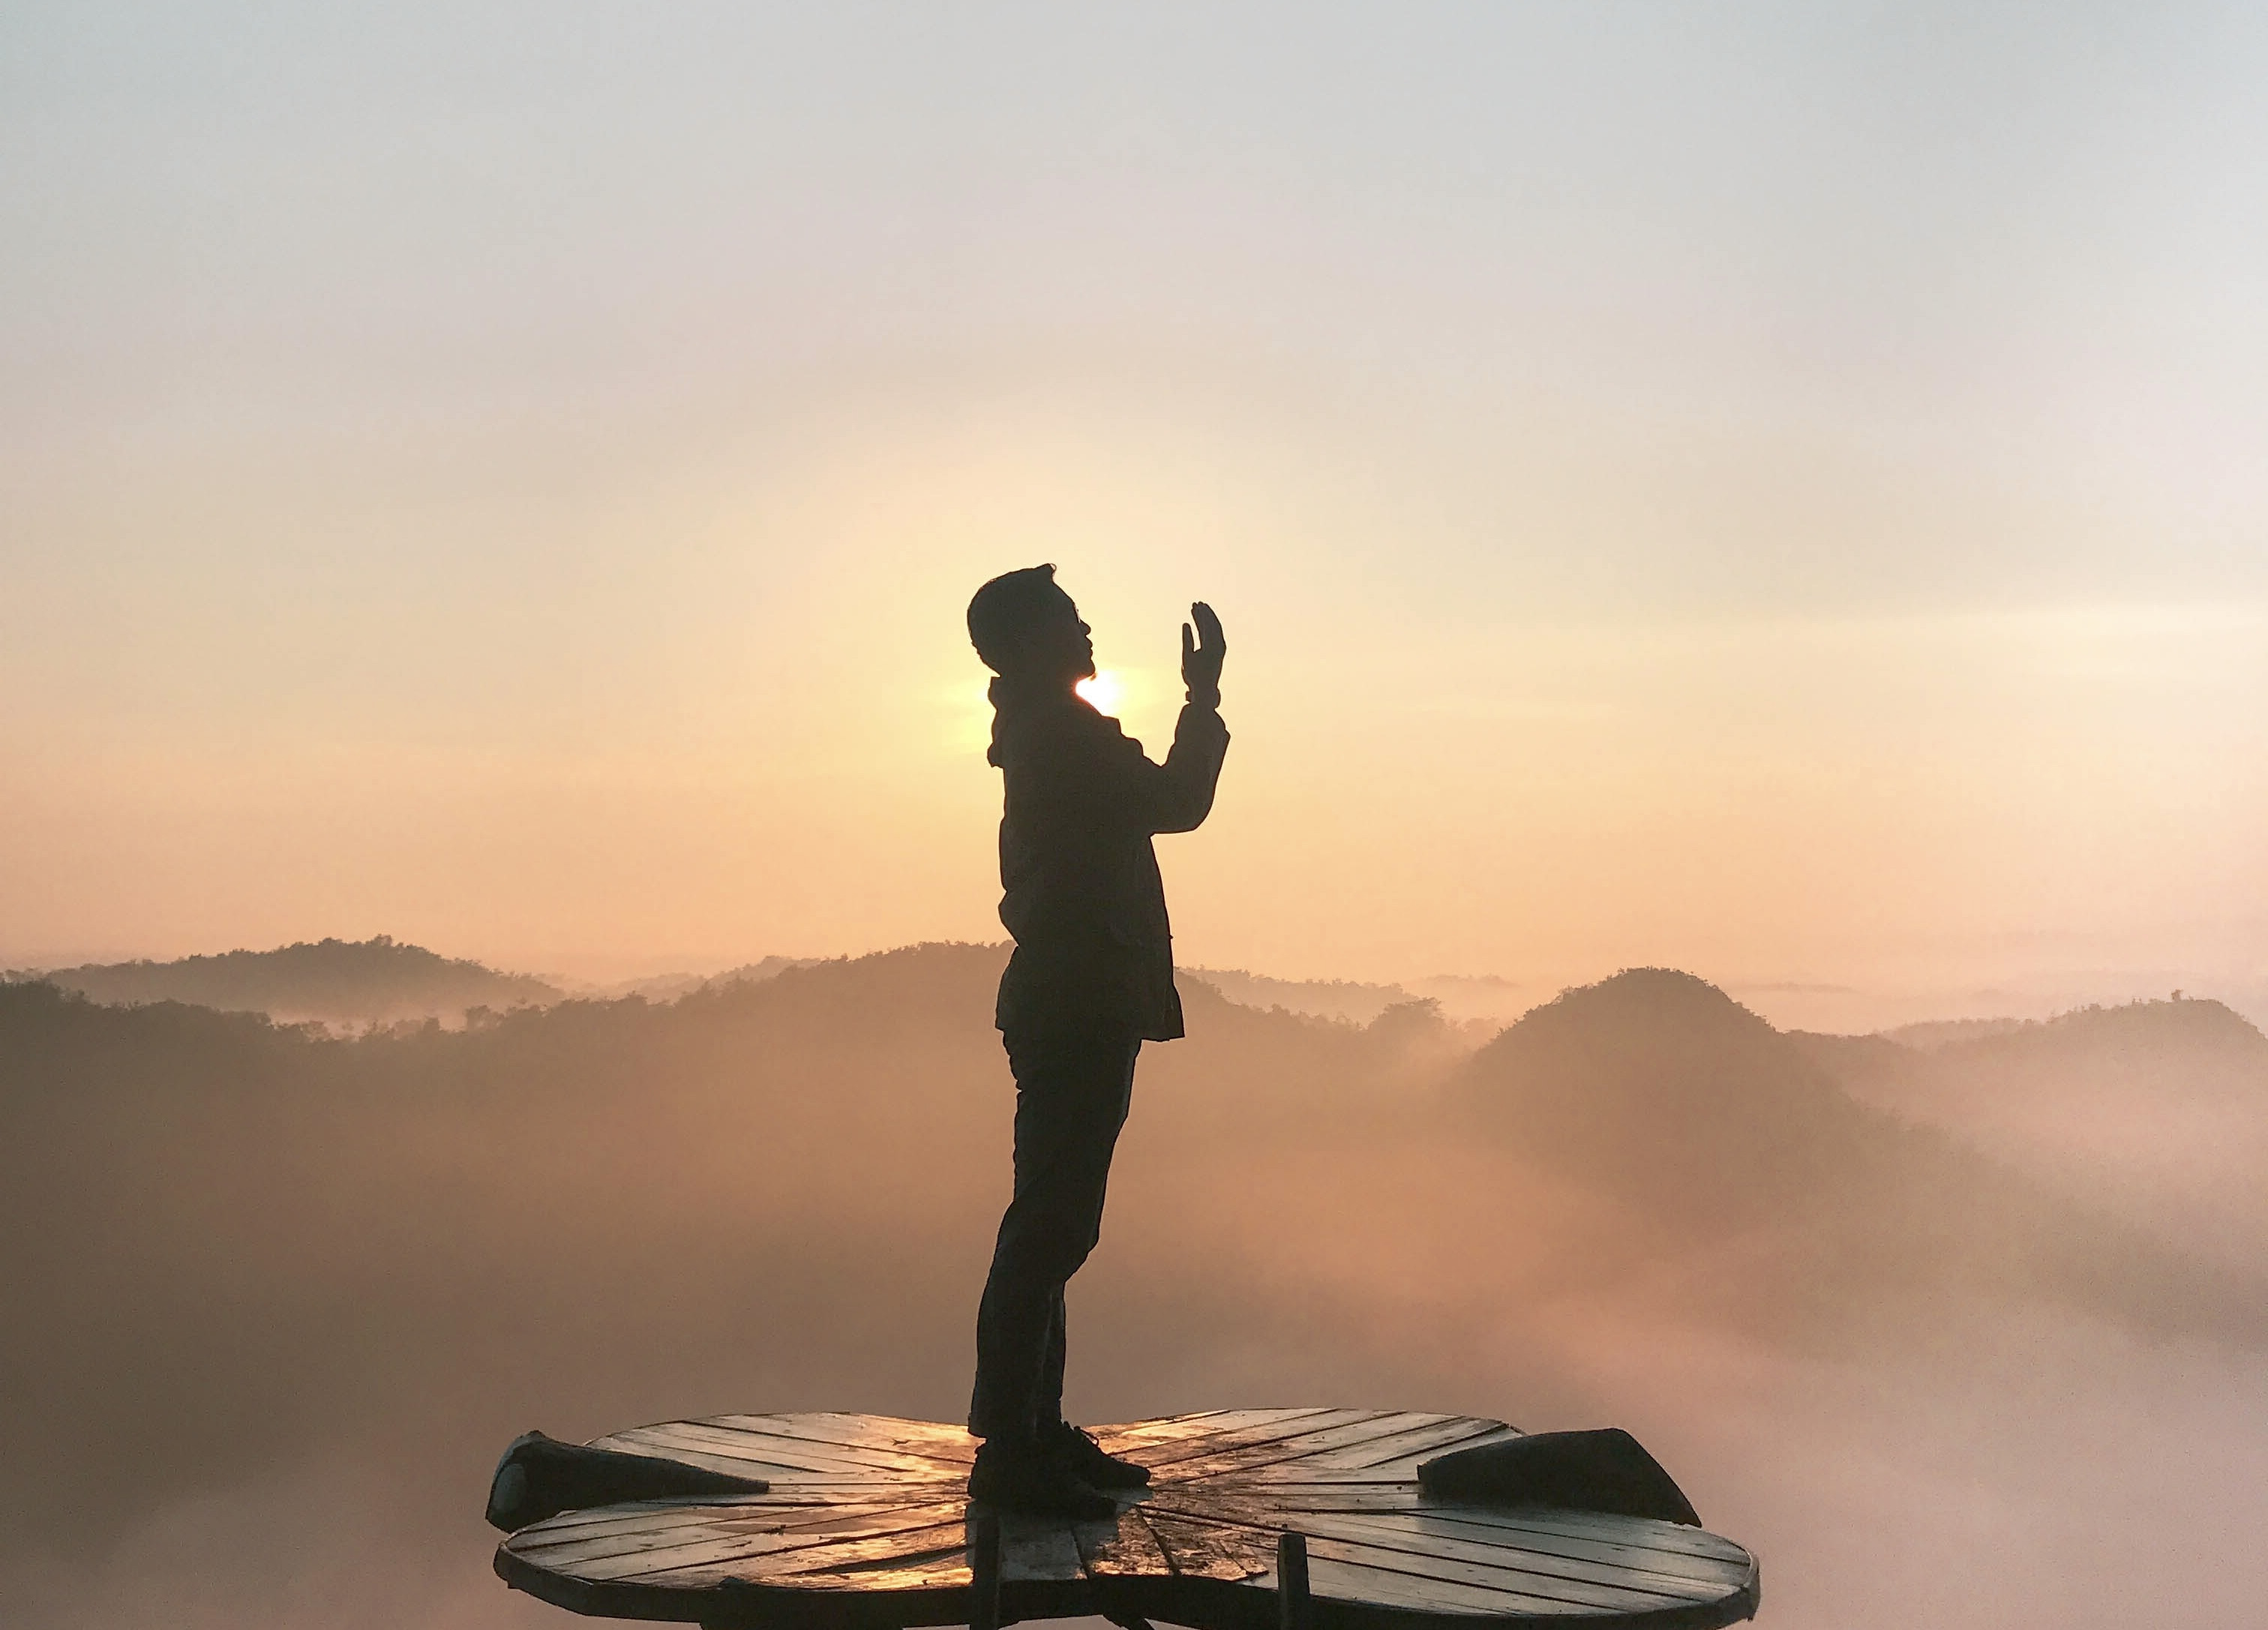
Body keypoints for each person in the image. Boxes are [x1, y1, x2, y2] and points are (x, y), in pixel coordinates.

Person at [962, 565, 1230, 1517]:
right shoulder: (1063, 736)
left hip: (1069, 1002)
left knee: (1055, 1220)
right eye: (1069, 619)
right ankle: (1011, 1449)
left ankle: (1035, 1429)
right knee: (1051, 1226)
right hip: (1075, 1005)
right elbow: (1179, 801)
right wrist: (1203, 699)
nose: (1086, 630)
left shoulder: (1046, 731)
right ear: (1033, 641)